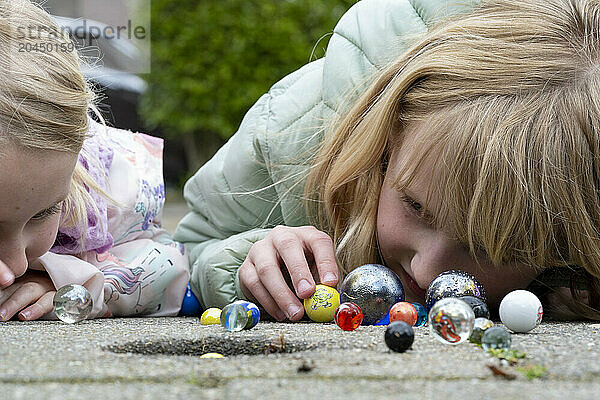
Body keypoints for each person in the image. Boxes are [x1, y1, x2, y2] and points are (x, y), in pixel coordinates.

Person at [174, 0, 600, 322]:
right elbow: (185, 252)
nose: (428, 268)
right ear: (388, 139)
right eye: (416, 207)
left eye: (485, 247)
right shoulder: (286, 133)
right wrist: (246, 266)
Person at [0, 0, 189, 321]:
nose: (17, 265)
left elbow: (171, 266)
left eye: (45, 213)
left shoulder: (105, 186)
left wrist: (70, 281)